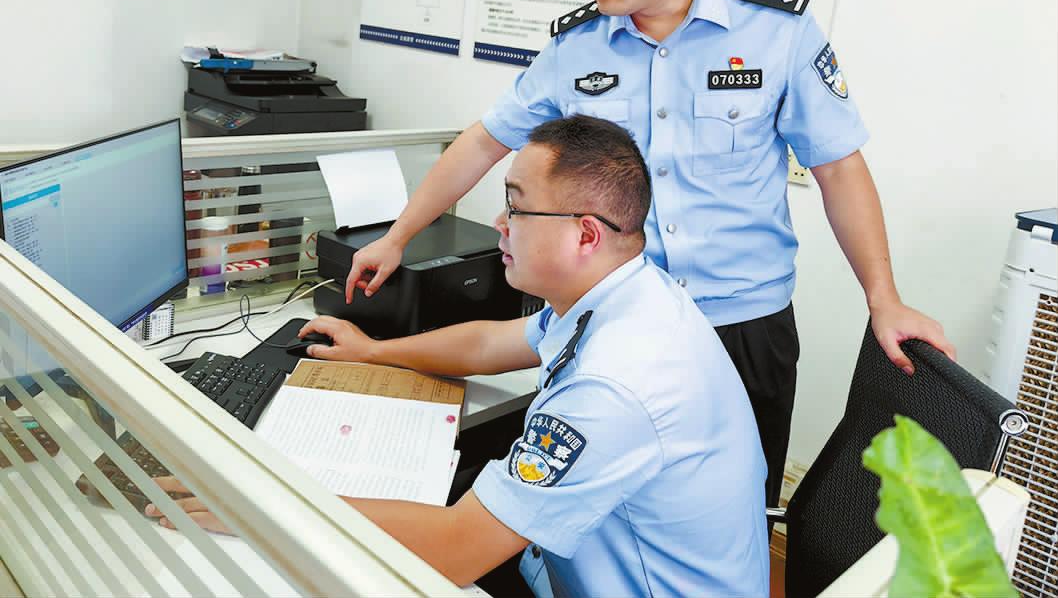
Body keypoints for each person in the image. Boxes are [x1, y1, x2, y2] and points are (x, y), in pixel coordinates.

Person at [342, 0, 955, 510]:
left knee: (733, 511)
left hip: (741, 327)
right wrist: (397, 238)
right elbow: (486, 140)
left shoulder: (777, 32)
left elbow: (839, 168)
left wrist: (883, 297)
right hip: (612, 320)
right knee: (595, 511)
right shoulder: (576, 46)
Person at [148, 116, 770, 596]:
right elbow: (489, 342)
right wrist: (374, 351)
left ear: (585, 233)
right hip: (563, 563)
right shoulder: (625, 291)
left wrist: (255, 501)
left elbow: (454, 550)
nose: (500, 221)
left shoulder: (617, 384)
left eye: (517, 206)